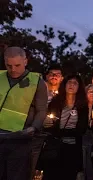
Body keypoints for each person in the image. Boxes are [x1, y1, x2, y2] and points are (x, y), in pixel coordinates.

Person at [0, 47, 48, 180]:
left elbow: (42, 109)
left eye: (17, 65)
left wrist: (34, 127)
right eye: (9, 65)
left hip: (20, 139)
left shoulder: (37, 82)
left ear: (25, 61)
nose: (13, 69)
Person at [41, 74, 88, 180]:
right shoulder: (55, 103)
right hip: (54, 148)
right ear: (64, 85)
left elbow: (81, 129)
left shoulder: (82, 107)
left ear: (79, 87)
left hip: (72, 150)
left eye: (75, 83)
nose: (71, 85)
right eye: (69, 82)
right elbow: (49, 126)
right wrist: (46, 123)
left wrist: (59, 131)